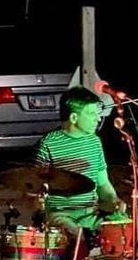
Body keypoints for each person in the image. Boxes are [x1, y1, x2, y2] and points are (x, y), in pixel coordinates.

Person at [33, 86, 125, 235]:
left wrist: (114, 201)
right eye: (91, 114)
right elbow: (33, 184)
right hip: (60, 215)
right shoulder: (49, 143)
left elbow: (102, 183)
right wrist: (37, 202)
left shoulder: (94, 142)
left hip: (90, 213)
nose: (98, 118)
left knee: (123, 230)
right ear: (74, 118)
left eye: (97, 113)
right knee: (78, 237)